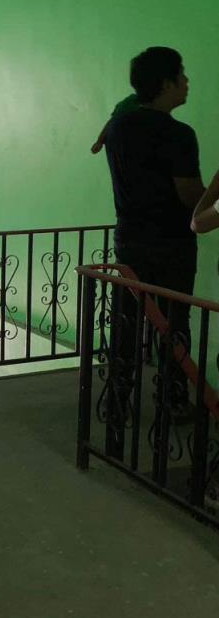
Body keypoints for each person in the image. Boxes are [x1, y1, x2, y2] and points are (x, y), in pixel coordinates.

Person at [104, 47, 205, 419]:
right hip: (171, 243)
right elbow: (189, 195)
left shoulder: (118, 128)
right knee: (174, 321)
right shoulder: (178, 134)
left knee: (126, 321)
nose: (187, 82)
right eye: (182, 75)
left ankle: (117, 401)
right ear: (166, 84)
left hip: (129, 239)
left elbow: (126, 107)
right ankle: (173, 400)